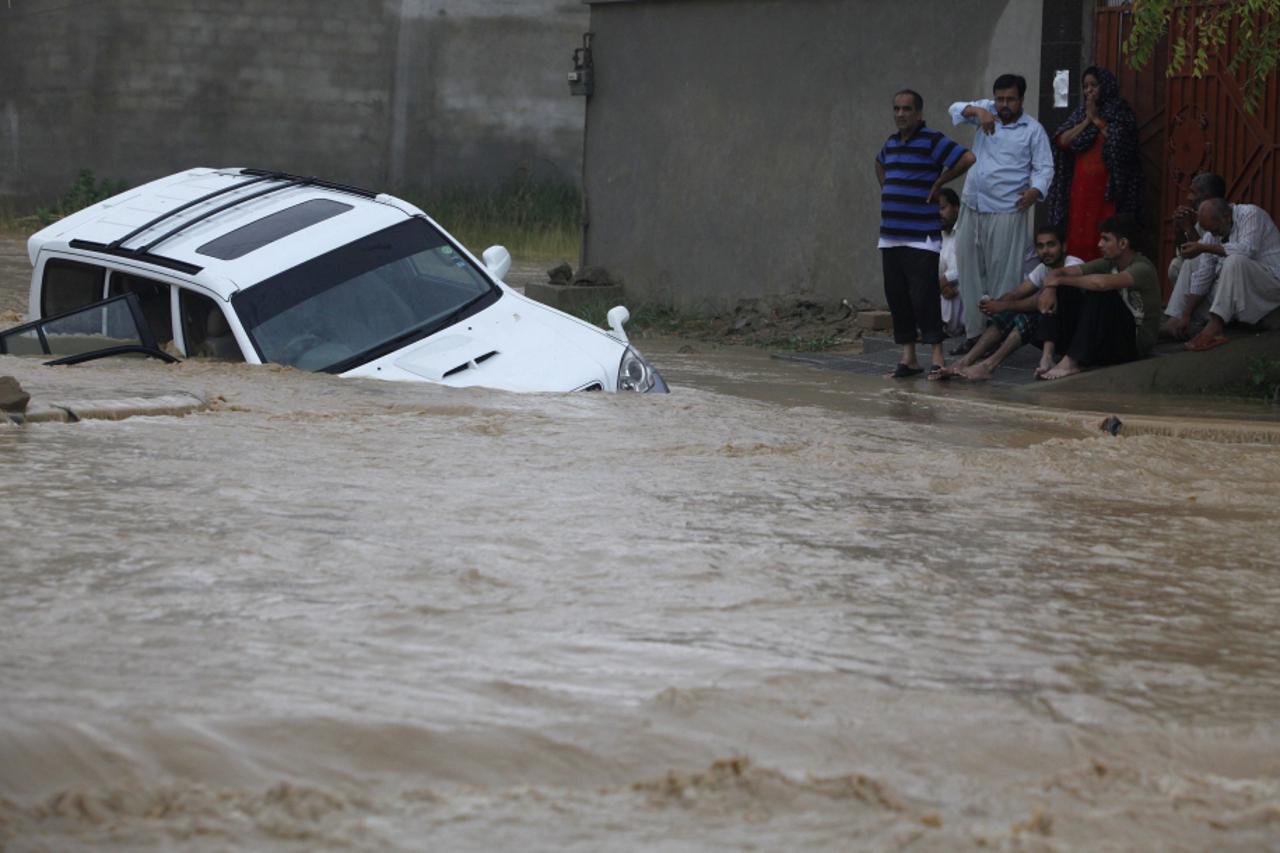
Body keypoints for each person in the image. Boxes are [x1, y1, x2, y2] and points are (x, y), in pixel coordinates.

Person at [948, 74, 1054, 354]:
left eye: (1010, 99)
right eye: (1000, 99)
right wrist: (978, 110)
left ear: (1022, 99)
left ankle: (995, 338)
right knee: (969, 271)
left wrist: (1035, 191)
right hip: (972, 204)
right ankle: (974, 335)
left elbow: (1045, 168)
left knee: (1003, 275)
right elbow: (954, 108)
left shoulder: (1033, 130)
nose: (1004, 105)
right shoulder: (986, 111)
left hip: (1007, 209)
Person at [876, 89, 975, 378]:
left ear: (919, 113)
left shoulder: (931, 139)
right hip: (890, 234)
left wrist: (939, 182)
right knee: (898, 297)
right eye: (896, 109)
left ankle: (937, 357)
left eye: (906, 109)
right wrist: (888, 188)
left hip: (921, 236)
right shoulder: (891, 143)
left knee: (925, 297)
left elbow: (967, 158)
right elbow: (879, 163)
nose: (900, 114)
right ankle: (908, 358)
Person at [932, 224, 1083, 381]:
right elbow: (1016, 293)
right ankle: (963, 362)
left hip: (1073, 337)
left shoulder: (1073, 264)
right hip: (1052, 332)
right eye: (1040, 246)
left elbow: (1040, 302)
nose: (1045, 251)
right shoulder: (1043, 268)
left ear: (1064, 246)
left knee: (1028, 316)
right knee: (1007, 313)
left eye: (1051, 245)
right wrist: (994, 304)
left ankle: (988, 366)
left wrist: (1003, 305)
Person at [1036, 213, 1161, 380]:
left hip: (1133, 344)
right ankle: (1047, 357)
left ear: (1123, 243)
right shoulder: (1108, 262)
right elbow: (1061, 272)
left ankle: (1071, 362)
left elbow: (1101, 284)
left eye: (1105, 239)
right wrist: (1051, 287)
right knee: (1065, 287)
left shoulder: (1142, 267)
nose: (1099, 244)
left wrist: (1058, 281)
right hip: (1110, 336)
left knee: (1100, 292)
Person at [1045, 66, 1142, 262]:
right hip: (1080, 189)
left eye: (1094, 85)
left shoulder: (1120, 112)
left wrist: (1097, 120)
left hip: (1108, 189)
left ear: (1105, 86)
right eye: (1085, 86)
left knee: (1104, 232)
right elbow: (1062, 141)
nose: (1089, 90)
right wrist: (1086, 121)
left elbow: (1120, 145)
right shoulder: (1081, 113)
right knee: (1079, 232)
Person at [1182, 197, 1280, 352]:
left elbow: (1247, 250)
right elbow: (1203, 276)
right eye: (1210, 231)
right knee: (1193, 267)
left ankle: (1215, 325)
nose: (1213, 234)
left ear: (1227, 217)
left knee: (1234, 260)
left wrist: (1205, 248)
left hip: (1272, 282)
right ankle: (1179, 321)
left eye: (1215, 230)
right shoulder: (1211, 235)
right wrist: (1186, 314)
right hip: (1245, 288)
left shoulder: (1251, 214)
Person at [1160, 172, 1227, 340]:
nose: (1189, 197)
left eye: (1194, 192)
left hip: (1222, 276)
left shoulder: (1219, 215)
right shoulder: (1198, 215)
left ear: (1208, 196)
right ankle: (1185, 317)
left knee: (1191, 264)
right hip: (1203, 277)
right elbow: (1185, 252)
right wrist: (1179, 230)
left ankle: (1185, 319)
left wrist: (1189, 228)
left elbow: (1203, 255)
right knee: (1176, 265)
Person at [937, 188, 964, 337]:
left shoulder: (966, 232)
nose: (938, 214)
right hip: (945, 288)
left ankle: (947, 328)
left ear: (956, 208)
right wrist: (941, 284)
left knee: (957, 286)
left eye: (942, 208)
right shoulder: (938, 235)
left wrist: (943, 281)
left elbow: (966, 268)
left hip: (964, 286)